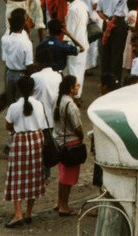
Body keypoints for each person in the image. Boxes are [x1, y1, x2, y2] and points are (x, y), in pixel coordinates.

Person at [4, 75, 49, 228]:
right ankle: (29, 213)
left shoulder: (14, 107)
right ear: (32, 88)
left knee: (17, 177)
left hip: (20, 141)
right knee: (34, 176)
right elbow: (42, 123)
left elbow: (8, 125)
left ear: (18, 88)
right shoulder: (39, 105)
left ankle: (18, 214)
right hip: (37, 139)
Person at [53, 75, 84, 216]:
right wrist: (81, 137)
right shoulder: (71, 105)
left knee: (62, 175)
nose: (78, 87)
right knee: (68, 178)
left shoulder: (57, 100)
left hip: (58, 142)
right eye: (77, 85)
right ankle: (64, 206)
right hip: (70, 144)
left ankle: (59, 202)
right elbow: (77, 128)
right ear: (71, 88)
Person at [63, 0, 90, 95]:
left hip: (75, 44)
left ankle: (74, 94)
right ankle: (78, 94)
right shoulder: (82, 5)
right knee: (79, 71)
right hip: (83, 40)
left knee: (73, 71)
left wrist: (63, 44)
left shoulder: (73, 9)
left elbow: (69, 31)